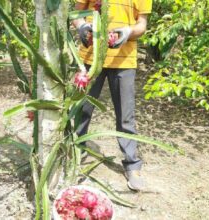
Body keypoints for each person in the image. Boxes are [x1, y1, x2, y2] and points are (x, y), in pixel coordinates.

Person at [72, 0, 152, 191]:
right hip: (90, 58)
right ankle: (74, 154)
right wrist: (82, 26)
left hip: (124, 60)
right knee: (81, 109)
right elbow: (77, 13)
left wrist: (127, 32)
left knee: (126, 116)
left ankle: (132, 165)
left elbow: (142, 24)